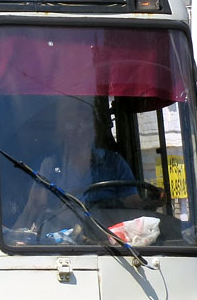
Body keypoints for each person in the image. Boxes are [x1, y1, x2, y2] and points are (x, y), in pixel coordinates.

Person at [12, 96, 137, 232]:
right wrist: (13, 235)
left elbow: (133, 205)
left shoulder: (114, 163)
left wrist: (152, 202)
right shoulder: (49, 165)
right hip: (64, 245)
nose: (80, 129)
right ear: (62, 131)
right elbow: (34, 207)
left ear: (94, 129)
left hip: (112, 242)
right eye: (71, 123)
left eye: (86, 122)